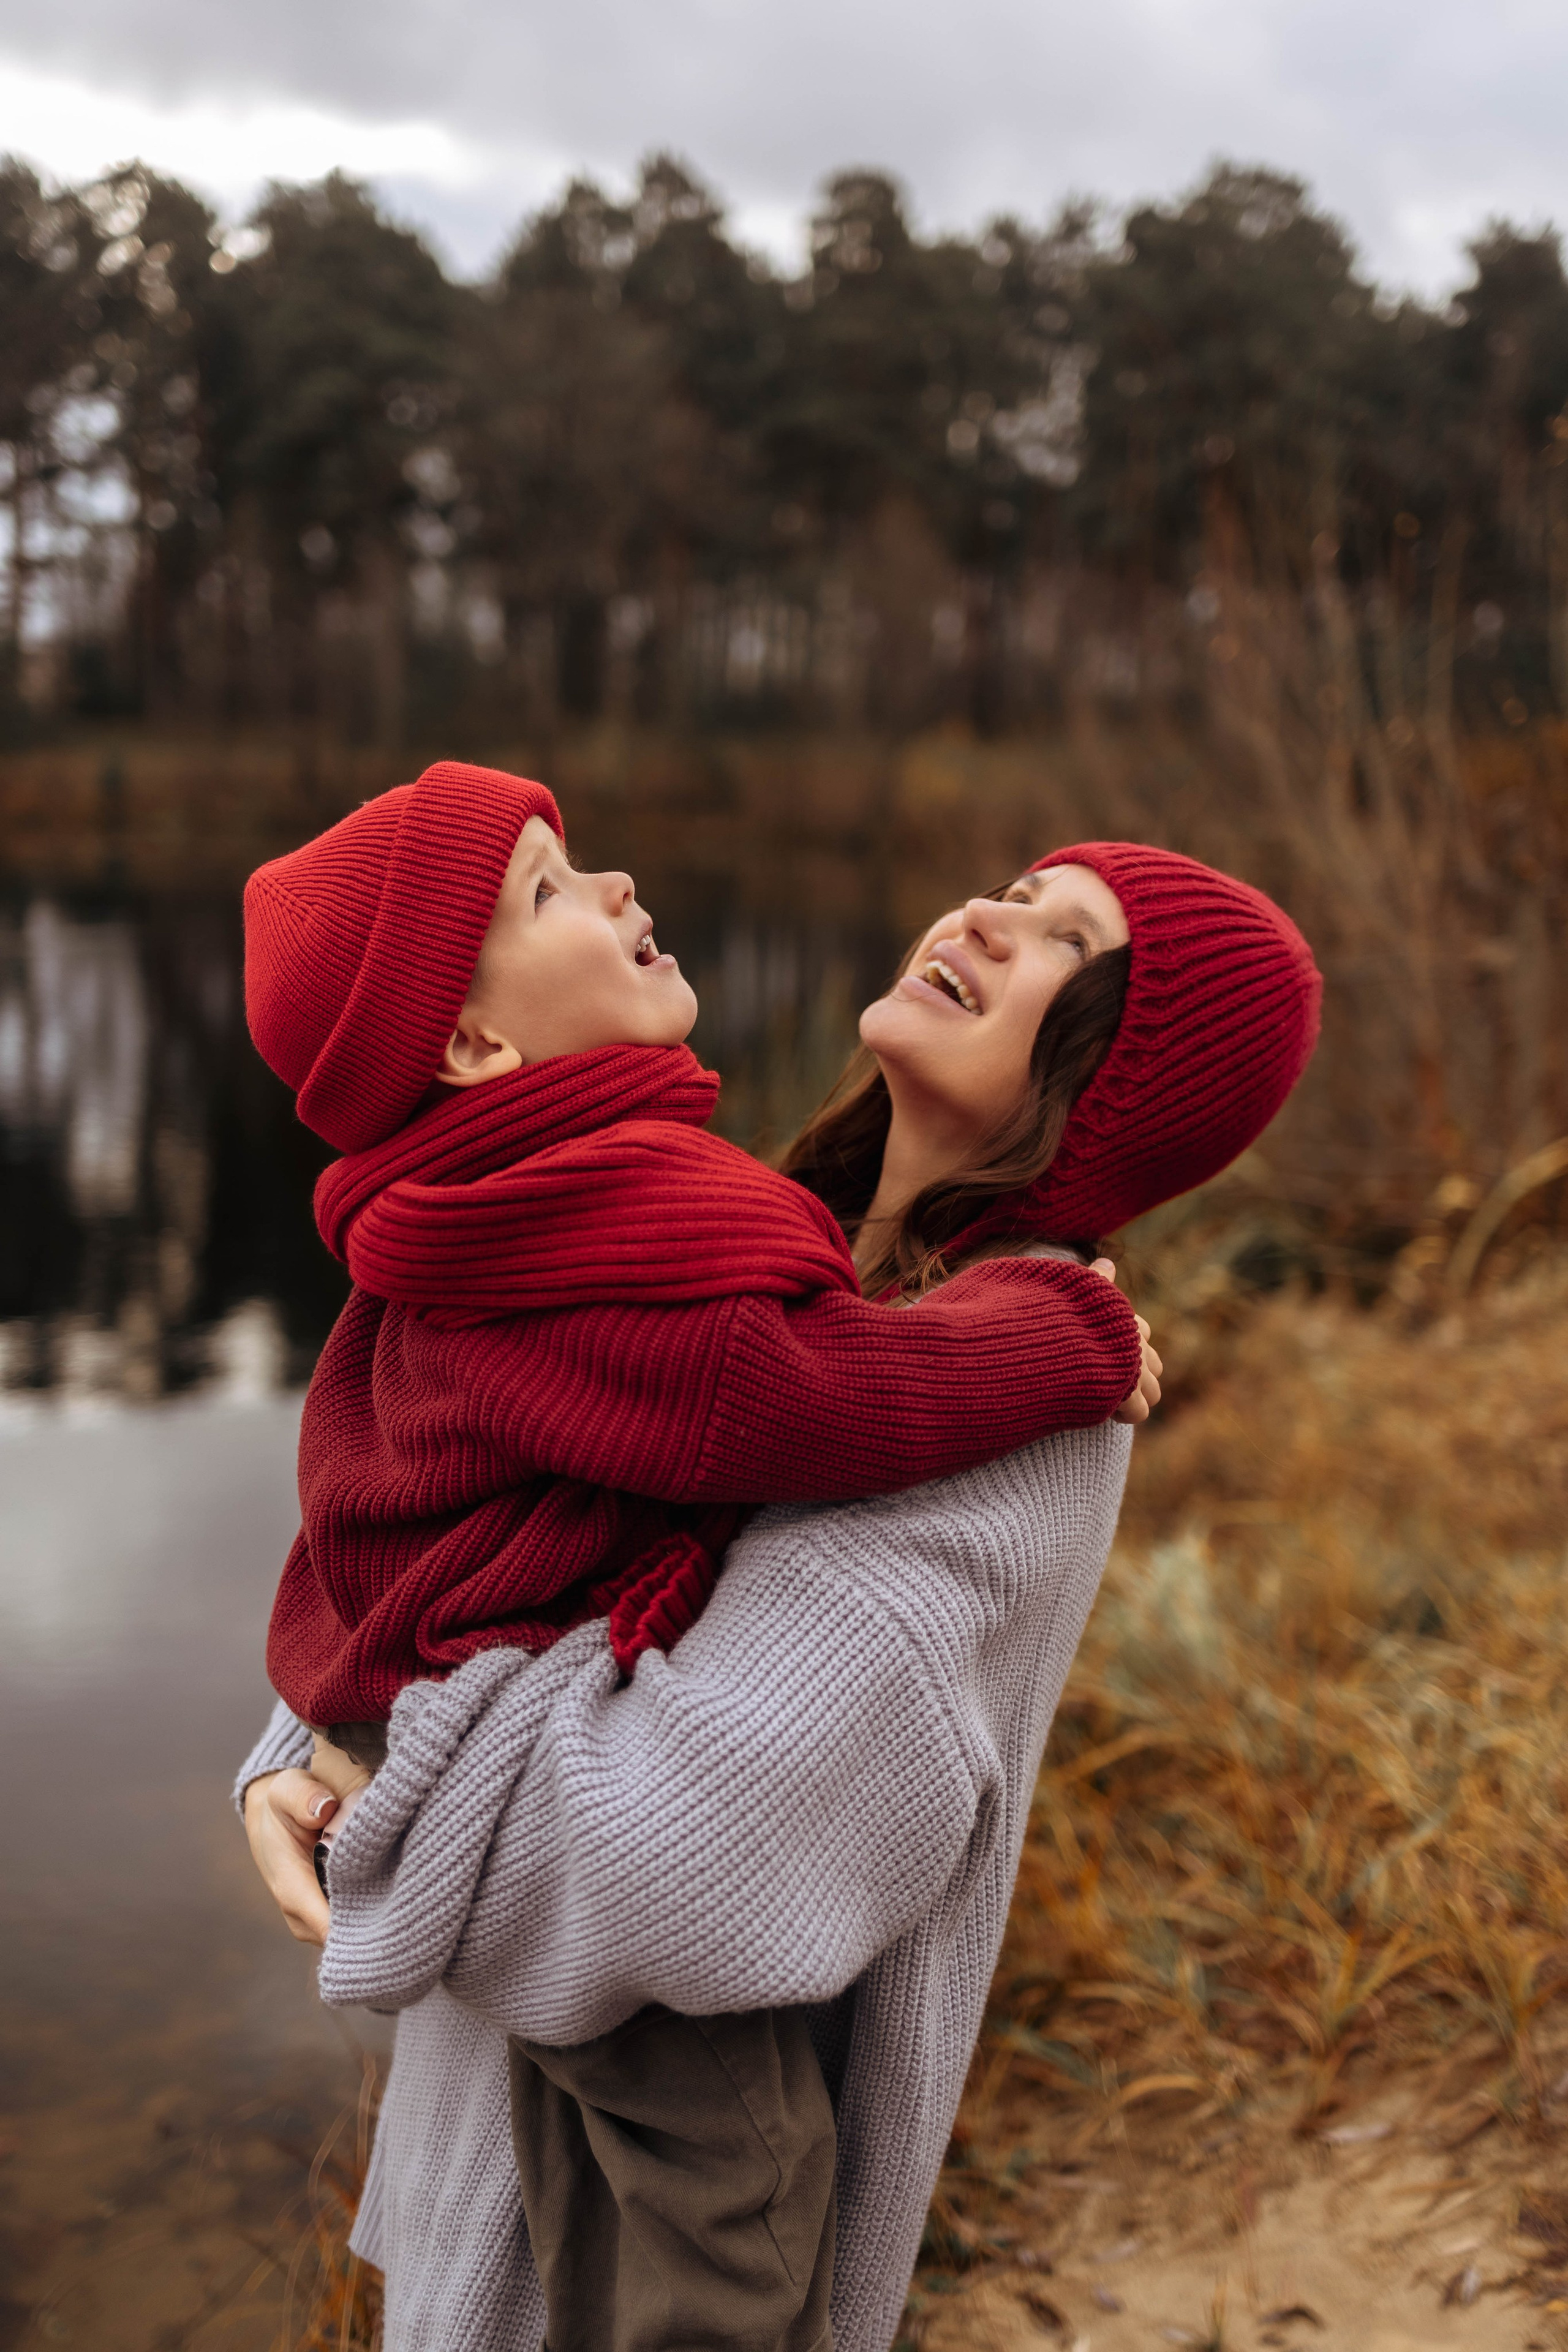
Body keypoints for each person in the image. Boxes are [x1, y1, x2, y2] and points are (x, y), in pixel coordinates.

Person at [240, 831, 1320, 2352]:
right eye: (1011, 890)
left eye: (1066, 941)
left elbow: (662, 1864)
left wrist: (381, 1776)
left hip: (611, 2274)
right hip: (479, 2189)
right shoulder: (767, 1236)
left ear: (1120, 1083)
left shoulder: (1017, 1426)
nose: (989, 918)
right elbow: (464, 1495)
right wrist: (299, 1748)